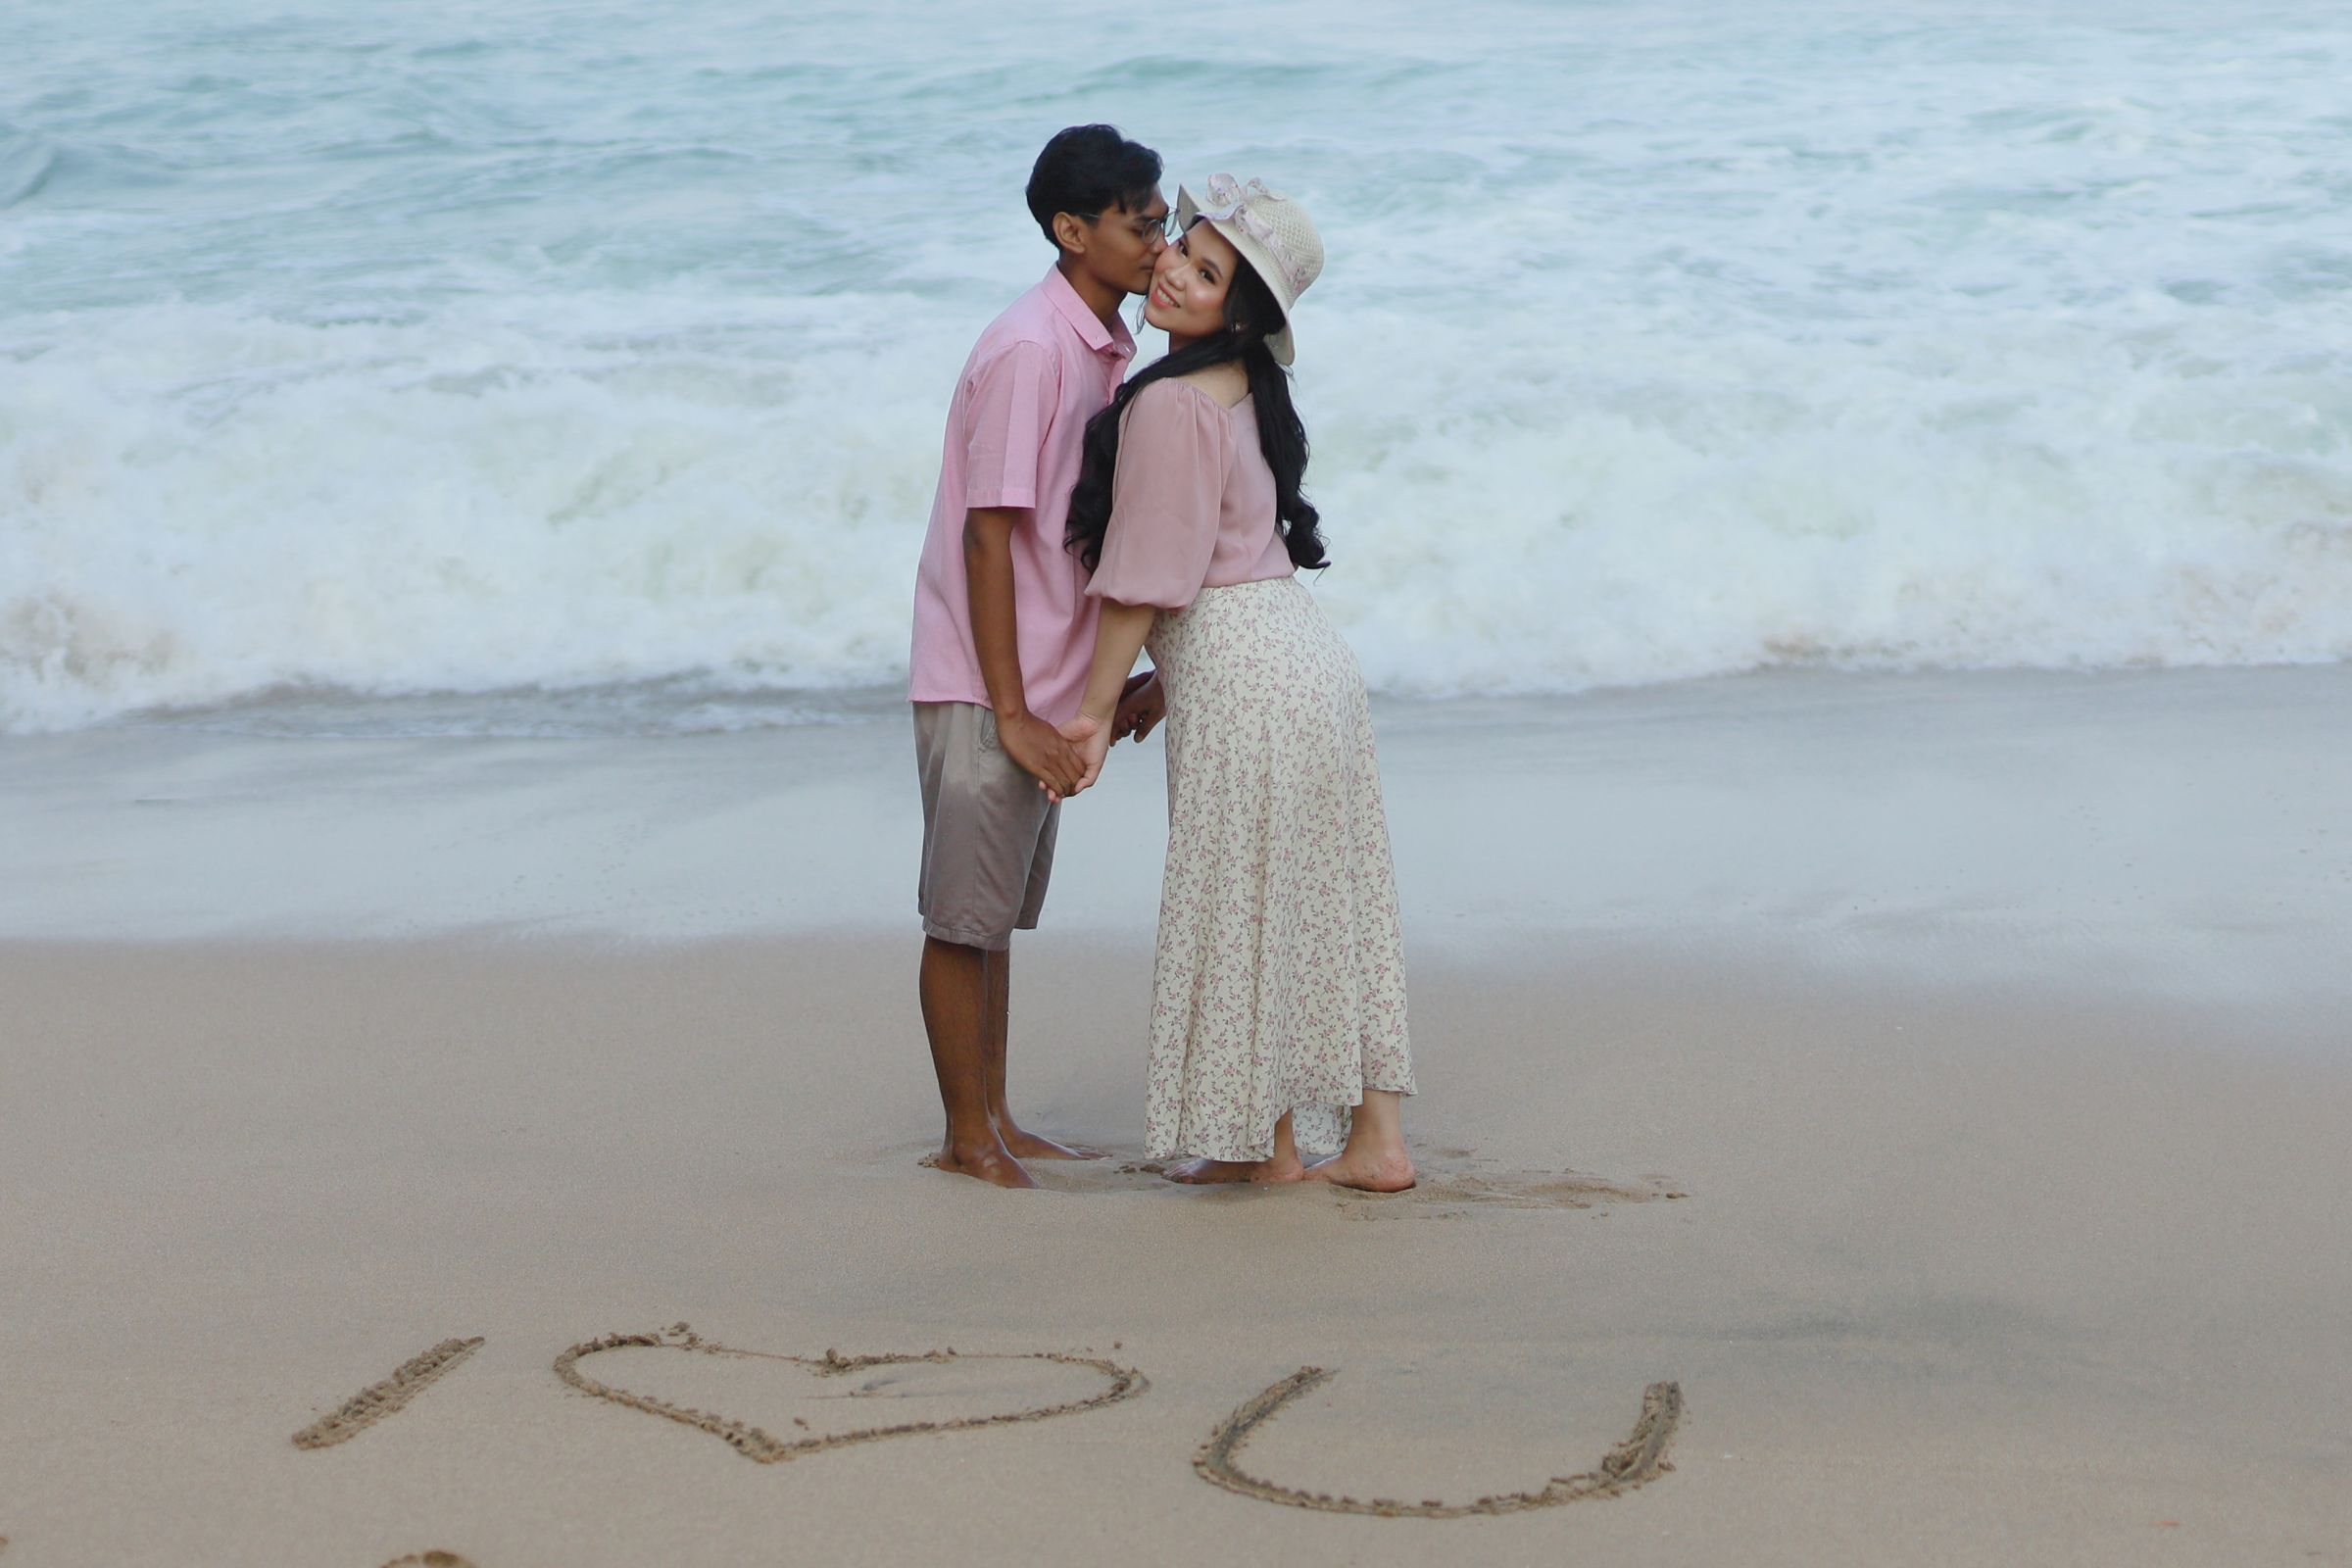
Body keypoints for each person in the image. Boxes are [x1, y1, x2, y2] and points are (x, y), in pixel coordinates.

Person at [1058, 175, 1417, 1192]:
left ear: (1239, 312)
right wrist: (1160, 687)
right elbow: (1233, 557)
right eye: (1185, 248)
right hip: (1307, 663)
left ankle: (1264, 1150)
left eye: (1208, 274)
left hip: (1245, 680)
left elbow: (1147, 577)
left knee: (1243, 903)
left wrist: (1091, 712)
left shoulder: (1173, 403)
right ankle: (1376, 1140)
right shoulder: (1246, 388)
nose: (1174, 270)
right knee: (1332, 900)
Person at [906, 125, 1172, 1189]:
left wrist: (1116, 679)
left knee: (995, 918)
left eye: (1161, 222)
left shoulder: (1104, 346)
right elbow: (989, 535)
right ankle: (965, 1139)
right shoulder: (1030, 348)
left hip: (1041, 679)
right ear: (1072, 231)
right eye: (1139, 225)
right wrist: (1011, 711)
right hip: (986, 682)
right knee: (961, 920)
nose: (1160, 243)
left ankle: (997, 1120)